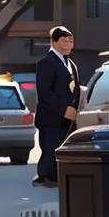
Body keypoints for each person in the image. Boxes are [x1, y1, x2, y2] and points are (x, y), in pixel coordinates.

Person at [33, 26, 79, 188]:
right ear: (53, 42)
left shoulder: (71, 64)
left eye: (70, 40)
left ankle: (59, 177)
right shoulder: (46, 63)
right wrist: (63, 109)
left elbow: (75, 88)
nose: (68, 43)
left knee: (64, 149)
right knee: (50, 148)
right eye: (64, 40)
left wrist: (76, 106)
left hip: (69, 118)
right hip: (51, 118)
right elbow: (44, 93)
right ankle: (44, 177)